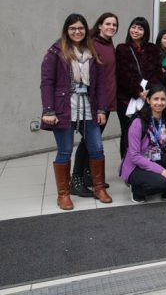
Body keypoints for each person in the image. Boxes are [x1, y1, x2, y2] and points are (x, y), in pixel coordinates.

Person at [41, 14, 113, 210]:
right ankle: (63, 194)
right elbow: (47, 83)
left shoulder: (92, 52)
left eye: (81, 28)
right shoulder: (55, 52)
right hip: (64, 108)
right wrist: (48, 110)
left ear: (85, 30)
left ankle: (99, 188)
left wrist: (101, 109)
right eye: (73, 28)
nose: (77, 31)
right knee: (64, 151)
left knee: (97, 148)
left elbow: (99, 86)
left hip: (89, 107)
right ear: (67, 30)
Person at [71, 12, 118, 197]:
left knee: (91, 141)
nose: (111, 27)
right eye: (108, 23)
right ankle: (76, 179)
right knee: (89, 141)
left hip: (107, 101)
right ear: (99, 25)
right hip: (96, 102)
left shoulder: (109, 43)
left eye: (114, 24)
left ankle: (89, 175)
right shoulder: (91, 43)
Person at [119, 85, 166, 203]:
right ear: (148, 100)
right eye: (156, 99)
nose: (159, 103)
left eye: (162, 99)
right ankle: (137, 190)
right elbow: (134, 156)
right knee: (161, 183)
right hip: (136, 166)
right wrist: (161, 171)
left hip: (155, 157)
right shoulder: (138, 122)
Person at [115, 17, 162, 159]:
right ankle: (126, 164)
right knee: (127, 131)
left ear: (145, 31)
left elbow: (157, 72)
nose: (136, 31)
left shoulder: (153, 49)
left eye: (140, 28)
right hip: (126, 99)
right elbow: (122, 74)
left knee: (145, 130)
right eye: (133, 27)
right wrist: (138, 92)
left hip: (148, 98)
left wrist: (149, 91)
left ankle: (144, 160)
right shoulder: (122, 48)